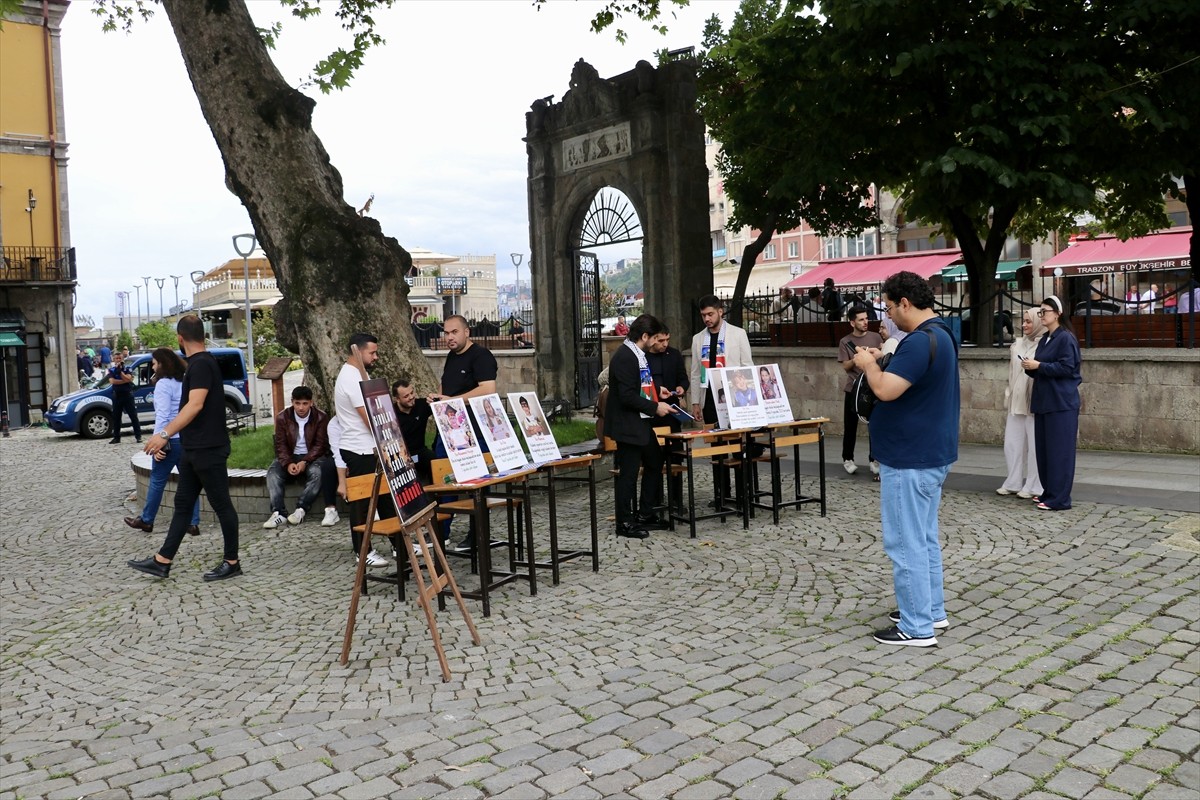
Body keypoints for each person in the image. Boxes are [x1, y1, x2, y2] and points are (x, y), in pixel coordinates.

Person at [851, 271, 959, 647]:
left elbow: (886, 389)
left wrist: (868, 364)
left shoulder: (917, 342)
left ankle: (916, 627)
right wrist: (885, 356)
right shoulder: (940, 334)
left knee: (905, 541)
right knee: (924, 537)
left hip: (910, 456)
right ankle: (931, 610)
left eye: (889, 306)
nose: (887, 314)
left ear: (905, 304)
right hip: (931, 451)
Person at [128, 315, 243, 581]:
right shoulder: (196, 364)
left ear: (180, 338)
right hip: (193, 448)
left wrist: (164, 435)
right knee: (182, 505)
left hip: (208, 448)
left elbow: (195, 404)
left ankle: (232, 561)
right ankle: (162, 561)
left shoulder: (202, 364)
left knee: (222, 504)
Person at [427, 314, 498, 550]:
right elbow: (445, 385)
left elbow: (488, 389)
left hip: (473, 432)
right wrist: (438, 399)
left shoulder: (481, 356)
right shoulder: (450, 356)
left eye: (454, 332)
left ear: (467, 332)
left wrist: (453, 401)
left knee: (476, 484)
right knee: (445, 481)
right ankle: (442, 532)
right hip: (448, 430)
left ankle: (478, 535)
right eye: (446, 333)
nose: (449, 337)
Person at [123, 347, 201, 537]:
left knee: (157, 480)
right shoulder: (183, 381)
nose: (152, 366)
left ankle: (147, 519)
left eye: (155, 363)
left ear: (163, 364)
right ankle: (193, 523)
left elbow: (163, 415)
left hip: (169, 439)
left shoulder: (163, 385)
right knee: (190, 481)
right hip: (185, 438)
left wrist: (159, 440)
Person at [608, 314, 673, 538]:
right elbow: (626, 396)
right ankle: (624, 522)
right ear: (644, 336)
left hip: (640, 422)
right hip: (628, 424)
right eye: (655, 338)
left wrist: (657, 392)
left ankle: (645, 513)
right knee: (629, 473)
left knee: (655, 461)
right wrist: (655, 407)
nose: (657, 343)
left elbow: (640, 385)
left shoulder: (638, 354)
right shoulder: (625, 356)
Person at [333, 333, 391, 568]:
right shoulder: (349, 377)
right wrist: (388, 436)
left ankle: (399, 543)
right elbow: (368, 415)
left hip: (370, 447)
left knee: (386, 498)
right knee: (362, 503)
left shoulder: (359, 375)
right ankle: (362, 550)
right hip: (359, 448)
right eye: (372, 353)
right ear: (357, 350)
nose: (375, 357)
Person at [1022, 296, 1082, 511]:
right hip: (1045, 401)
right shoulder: (1046, 338)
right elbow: (1044, 367)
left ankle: (1060, 498)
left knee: (1060, 452)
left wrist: (1039, 366)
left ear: (1057, 313)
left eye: (1045, 311)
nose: (1042, 315)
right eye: (1041, 312)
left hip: (1061, 403)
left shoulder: (1066, 338)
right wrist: (1031, 368)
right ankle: (1048, 492)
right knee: (1045, 451)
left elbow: (1068, 368)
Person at [262, 386, 338, 529]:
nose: (301, 407)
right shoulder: (283, 417)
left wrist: (305, 461)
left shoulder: (321, 417)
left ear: (311, 403)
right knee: (273, 473)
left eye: (305, 403)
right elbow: (280, 445)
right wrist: (288, 463)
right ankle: (279, 513)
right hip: (290, 456)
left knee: (318, 472)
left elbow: (320, 445)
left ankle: (301, 509)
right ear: (292, 402)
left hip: (312, 457)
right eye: (297, 403)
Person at [996, 309, 1045, 499]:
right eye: (1023, 322)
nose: (1024, 325)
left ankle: (1034, 484)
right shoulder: (1017, 346)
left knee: (1034, 446)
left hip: (1033, 400)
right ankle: (1013, 480)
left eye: (1029, 322)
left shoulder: (1044, 345)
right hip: (1016, 399)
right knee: (1012, 443)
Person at [688, 295, 753, 424]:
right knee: (715, 439)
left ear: (720, 312)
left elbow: (747, 366)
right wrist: (695, 403)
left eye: (710, 314)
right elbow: (695, 373)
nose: (707, 318)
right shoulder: (697, 338)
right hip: (709, 397)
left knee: (735, 439)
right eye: (703, 315)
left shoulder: (738, 334)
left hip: (733, 393)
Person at [838, 306, 883, 478]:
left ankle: (874, 459)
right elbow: (845, 366)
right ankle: (847, 458)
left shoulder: (876, 337)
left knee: (875, 425)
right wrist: (858, 358)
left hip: (873, 386)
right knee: (850, 425)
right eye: (861, 319)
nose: (866, 322)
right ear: (852, 322)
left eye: (866, 319)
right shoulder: (845, 341)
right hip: (854, 388)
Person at [391, 377, 434, 485]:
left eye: (412, 393)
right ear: (397, 399)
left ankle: (439, 497)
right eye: (406, 396)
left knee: (435, 461)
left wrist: (434, 399)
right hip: (402, 456)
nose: (411, 397)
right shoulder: (391, 414)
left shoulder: (422, 405)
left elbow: (440, 406)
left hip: (420, 451)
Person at [107, 350, 143, 444]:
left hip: (127, 395)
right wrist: (125, 380)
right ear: (114, 360)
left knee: (133, 416)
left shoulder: (128, 368)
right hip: (117, 395)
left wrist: (120, 373)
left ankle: (138, 436)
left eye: (120, 358)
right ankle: (116, 437)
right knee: (116, 417)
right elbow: (112, 381)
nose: (118, 360)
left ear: (123, 359)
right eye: (116, 358)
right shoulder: (111, 370)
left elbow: (129, 379)